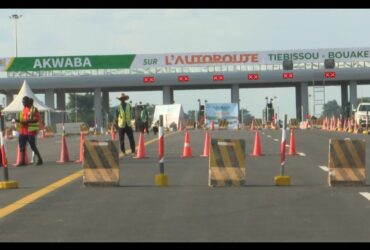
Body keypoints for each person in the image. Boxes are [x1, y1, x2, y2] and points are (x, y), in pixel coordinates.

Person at [14, 96, 43, 166]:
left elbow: (36, 119)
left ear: (28, 102)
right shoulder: (24, 109)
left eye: (24, 102)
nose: (23, 103)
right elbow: (22, 119)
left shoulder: (33, 109)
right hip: (23, 130)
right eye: (22, 102)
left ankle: (40, 159)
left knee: (32, 146)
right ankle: (22, 161)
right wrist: (18, 121)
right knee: (22, 146)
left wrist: (26, 121)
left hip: (30, 130)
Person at [115, 93, 136, 157]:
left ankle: (133, 151)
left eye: (123, 99)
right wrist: (116, 126)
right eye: (121, 99)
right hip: (121, 125)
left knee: (131, 139)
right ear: (120, 100)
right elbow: (116, 117)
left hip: (128, 124)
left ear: (125, 99)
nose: (122, 100)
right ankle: (123, 152)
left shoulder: (129, 106)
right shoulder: (118, 107)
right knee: (121, 140)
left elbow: (131, 114)